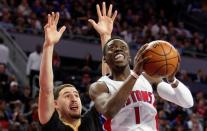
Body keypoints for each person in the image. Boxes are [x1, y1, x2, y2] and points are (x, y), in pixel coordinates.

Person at [88, 2, 194, 131]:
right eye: (113, 49)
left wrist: (172, 80)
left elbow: (187, 103)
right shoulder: (100, 86)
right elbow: (108, 111)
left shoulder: (148, 79)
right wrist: (105, 36)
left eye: (123, 48)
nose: (118, 50)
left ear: (130, 57)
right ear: (105, 58)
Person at [38, 12, 102, 131]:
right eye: (67, 96)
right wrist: (48, 46)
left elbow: (109, 84)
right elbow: (46, 90)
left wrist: (105, 36)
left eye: (76, 95)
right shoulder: (54, 125)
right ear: (55, 104)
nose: (74, 98)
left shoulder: (90, 121)